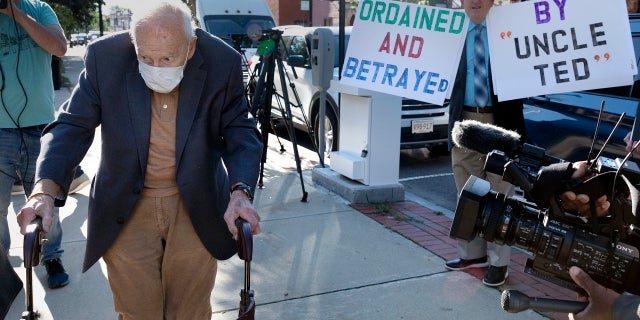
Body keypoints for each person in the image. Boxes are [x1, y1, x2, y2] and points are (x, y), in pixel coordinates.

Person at [16, 1, 263, 318]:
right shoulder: (105, 58)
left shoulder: (222, 61)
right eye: (145, 58)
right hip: (125, 203)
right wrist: (44, 191)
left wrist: (240, 192)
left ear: (190, 48)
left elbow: (240, 130)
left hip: (195, 202)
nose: (155, 68)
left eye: (166, 59)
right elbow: (72, 126)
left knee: (189, 311)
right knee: (137, 311)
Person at [445, 0, 529, 287]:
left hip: (500, 122)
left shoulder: (511, 30)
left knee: (500, 195)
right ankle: (471, 255)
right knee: (466, 192)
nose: (475, 1)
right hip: (465, 121)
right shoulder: (450, 35)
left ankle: (499, 263)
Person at [0, 0, 70, 289]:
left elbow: (59, 47)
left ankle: (52, 256)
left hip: (40, 126)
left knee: (43, 200)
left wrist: (16, 14)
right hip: (0, 129)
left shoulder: (39, 9)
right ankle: (1, 266)